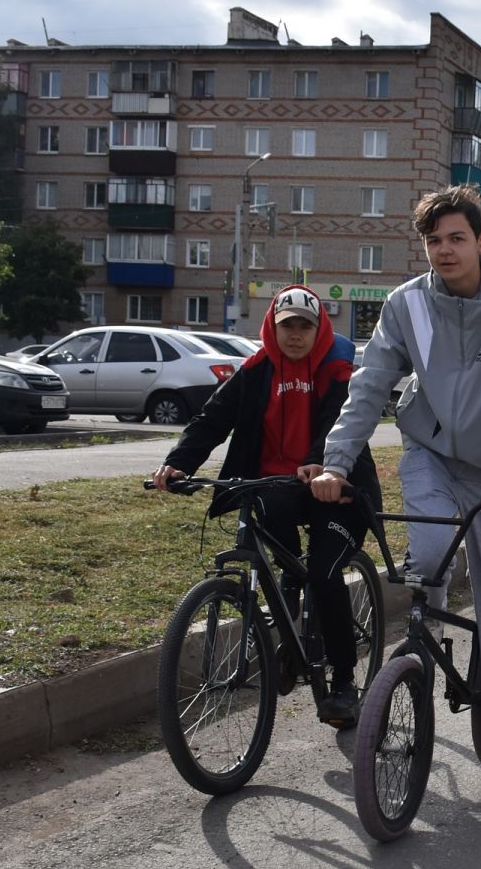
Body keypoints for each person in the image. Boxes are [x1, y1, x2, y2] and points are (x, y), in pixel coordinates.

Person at [312, 185, 481, 770]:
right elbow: (369, 387)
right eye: (433, 240)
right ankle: (423, 642)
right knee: (425, 560)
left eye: (457, 238)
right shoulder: (408, 305)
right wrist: (334, 462)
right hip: (431, 453)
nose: (445, 250)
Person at [151, 284, 381, 728]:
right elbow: (212, 420)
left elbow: (340, 422)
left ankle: (344, 683)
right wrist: (176, 464)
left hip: (337, 489)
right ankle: (291, 609)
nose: (295, 334)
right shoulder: (256, 371)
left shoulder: (336, 372)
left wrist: (320, 461)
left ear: (320, 330)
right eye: (286, 326)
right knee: (273, 521)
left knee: (324, 572)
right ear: (272, 329)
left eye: (305, 326)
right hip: (275, 486)